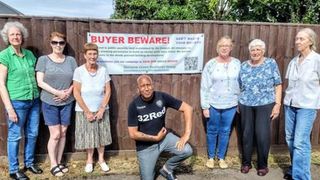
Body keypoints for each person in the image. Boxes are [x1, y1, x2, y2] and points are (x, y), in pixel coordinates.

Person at [127, 75, 193, 180]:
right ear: (138, 89)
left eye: (148, 85)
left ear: (152, 86)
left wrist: (186, 134)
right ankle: (148, 167)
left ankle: (167, 169)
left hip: (164, 139)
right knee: (147, 178)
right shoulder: (134, 105)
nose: (146, 88)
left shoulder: (162, 97)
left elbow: (188, 108)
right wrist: (155, 138)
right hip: (146, 147)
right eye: (143, 86)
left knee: (187, 150)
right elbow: (133, 134)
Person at [0, 21, 43, 180]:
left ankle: (29, 163)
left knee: (33, 133)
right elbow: (1, 84)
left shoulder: (29, 55)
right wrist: (9, 108)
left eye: (18, 34)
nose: (15, 37)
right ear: (7, 37)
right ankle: (13, 169)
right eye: (12, 34)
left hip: (33, 100)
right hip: (17, 102)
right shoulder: (4, 56)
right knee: (15, 135)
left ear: (22, 36)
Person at [35, 32, 77, 177]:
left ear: (65, 44)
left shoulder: (71, 60)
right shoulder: (43, 60)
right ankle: (53, 164)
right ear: (50, 43)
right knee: (55, 134)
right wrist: (57, 92)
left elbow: (75, 80)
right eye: (55, 42)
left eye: (61, 42)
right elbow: (40, 82)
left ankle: (59, 162)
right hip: (49, 101)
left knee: (63, 133)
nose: (58, 45)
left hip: (67, 101)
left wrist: (68, 92)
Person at [238, 39, 282, 176]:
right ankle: (246, 163)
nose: (255, 52)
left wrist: (277, 104)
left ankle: (262, 165)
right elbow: (239, 86)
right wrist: (237, 102)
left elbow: (278, 84)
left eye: (258, 49)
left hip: (265, 103)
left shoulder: (271, 63)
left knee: (262, 134)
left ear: (263, 51)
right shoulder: (244, 65)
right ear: (249, 51)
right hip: (245, 104)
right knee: (246, 134)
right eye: (253, 49)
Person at [283, 28, 320, 180]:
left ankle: (301, 177)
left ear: (310, 41)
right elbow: (290, 84)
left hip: (307, 106)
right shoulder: (293, 61)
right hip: (290, 105)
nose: (297, 41)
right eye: (297, 39)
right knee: (290, 140)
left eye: (301, 39)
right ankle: (295, 170)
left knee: (300, 142)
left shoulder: (317, 60)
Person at [200, 36, 240, 169]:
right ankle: (211, 157)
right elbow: (205, 86)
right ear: (218, 48)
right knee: (212, 130)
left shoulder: (237, 63)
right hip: (213, 104)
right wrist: (205, 106)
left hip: (231, 104)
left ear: (231, 48)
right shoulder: (210, 64)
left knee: (225, 131)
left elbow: (241, 84)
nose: (224, 48)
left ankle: (221, 157)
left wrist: (239, 103)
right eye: (222, 45)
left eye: (227, 45)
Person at [73, 43, 112, 173]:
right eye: (89, 54)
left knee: (102, 136)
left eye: (94, 54)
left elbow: (108, 91)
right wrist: (87, 111)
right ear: (85, 55)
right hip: (84, 110)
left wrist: (102, 108)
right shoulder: (79, 71)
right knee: (88, 137)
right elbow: (76, 92)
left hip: (101, 109)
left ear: (97, 55)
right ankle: (89, 160)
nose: (92, 56)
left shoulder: (103, 70)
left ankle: (101, 160)